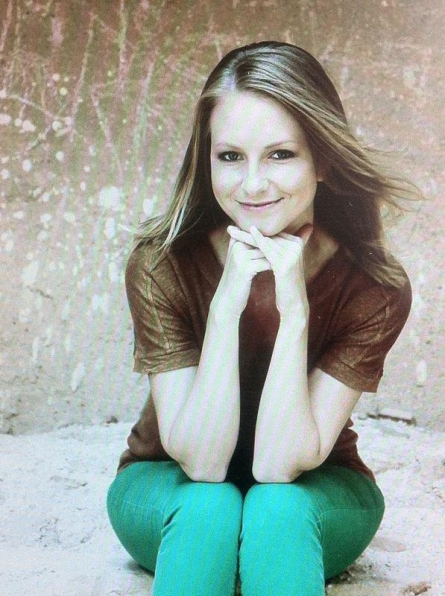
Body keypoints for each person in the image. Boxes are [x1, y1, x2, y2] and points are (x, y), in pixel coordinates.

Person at [107, 41, 416, 596]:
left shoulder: (374, 286)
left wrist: (295, 311)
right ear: (206, 161)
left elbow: (278, 465)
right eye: (230, 157)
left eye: (280, 155)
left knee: (276, 510)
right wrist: (226, 306)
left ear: (323, 160)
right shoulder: (161, 264)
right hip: (165, 483)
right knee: (209, 508)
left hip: (319, 490)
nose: (252, 185)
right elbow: (202, 463)